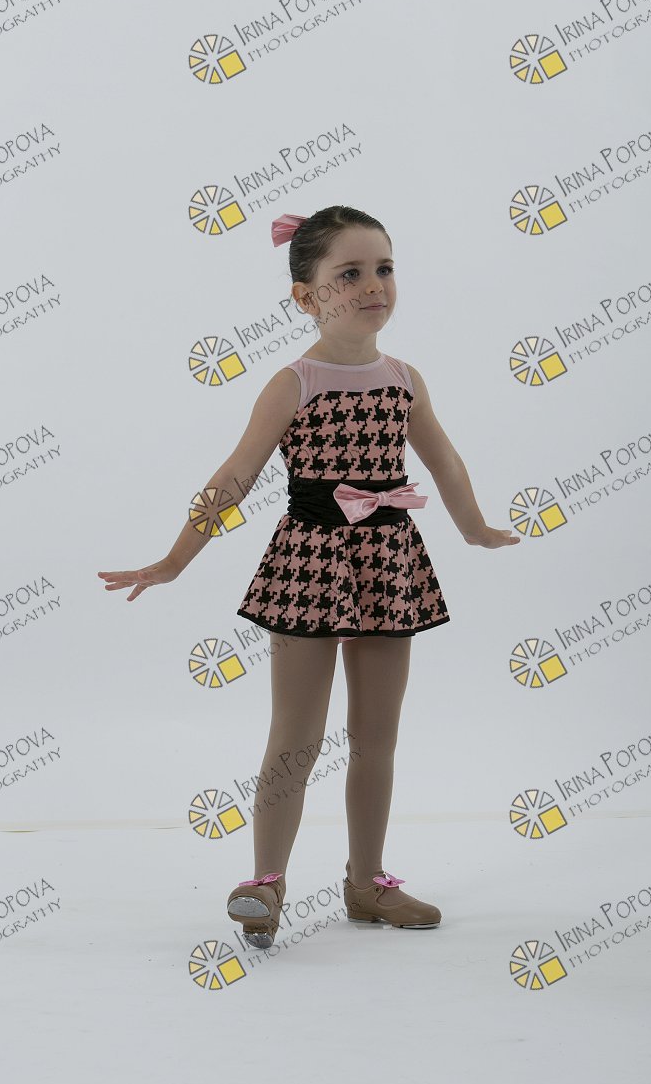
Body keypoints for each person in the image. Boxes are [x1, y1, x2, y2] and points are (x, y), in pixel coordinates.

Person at [98, 204, 520, 950]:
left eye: (384, 268)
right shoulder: (294, 383)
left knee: (376, 736)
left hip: (388, 558)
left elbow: (444, 461)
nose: (373, 286)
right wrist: (174, 559)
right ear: (306, 296)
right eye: (349, 274)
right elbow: (234, 475)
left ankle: (367, 882)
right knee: (296, 733)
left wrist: (474, 527)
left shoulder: (404, 378)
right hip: (310, 560)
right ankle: (267, 882)